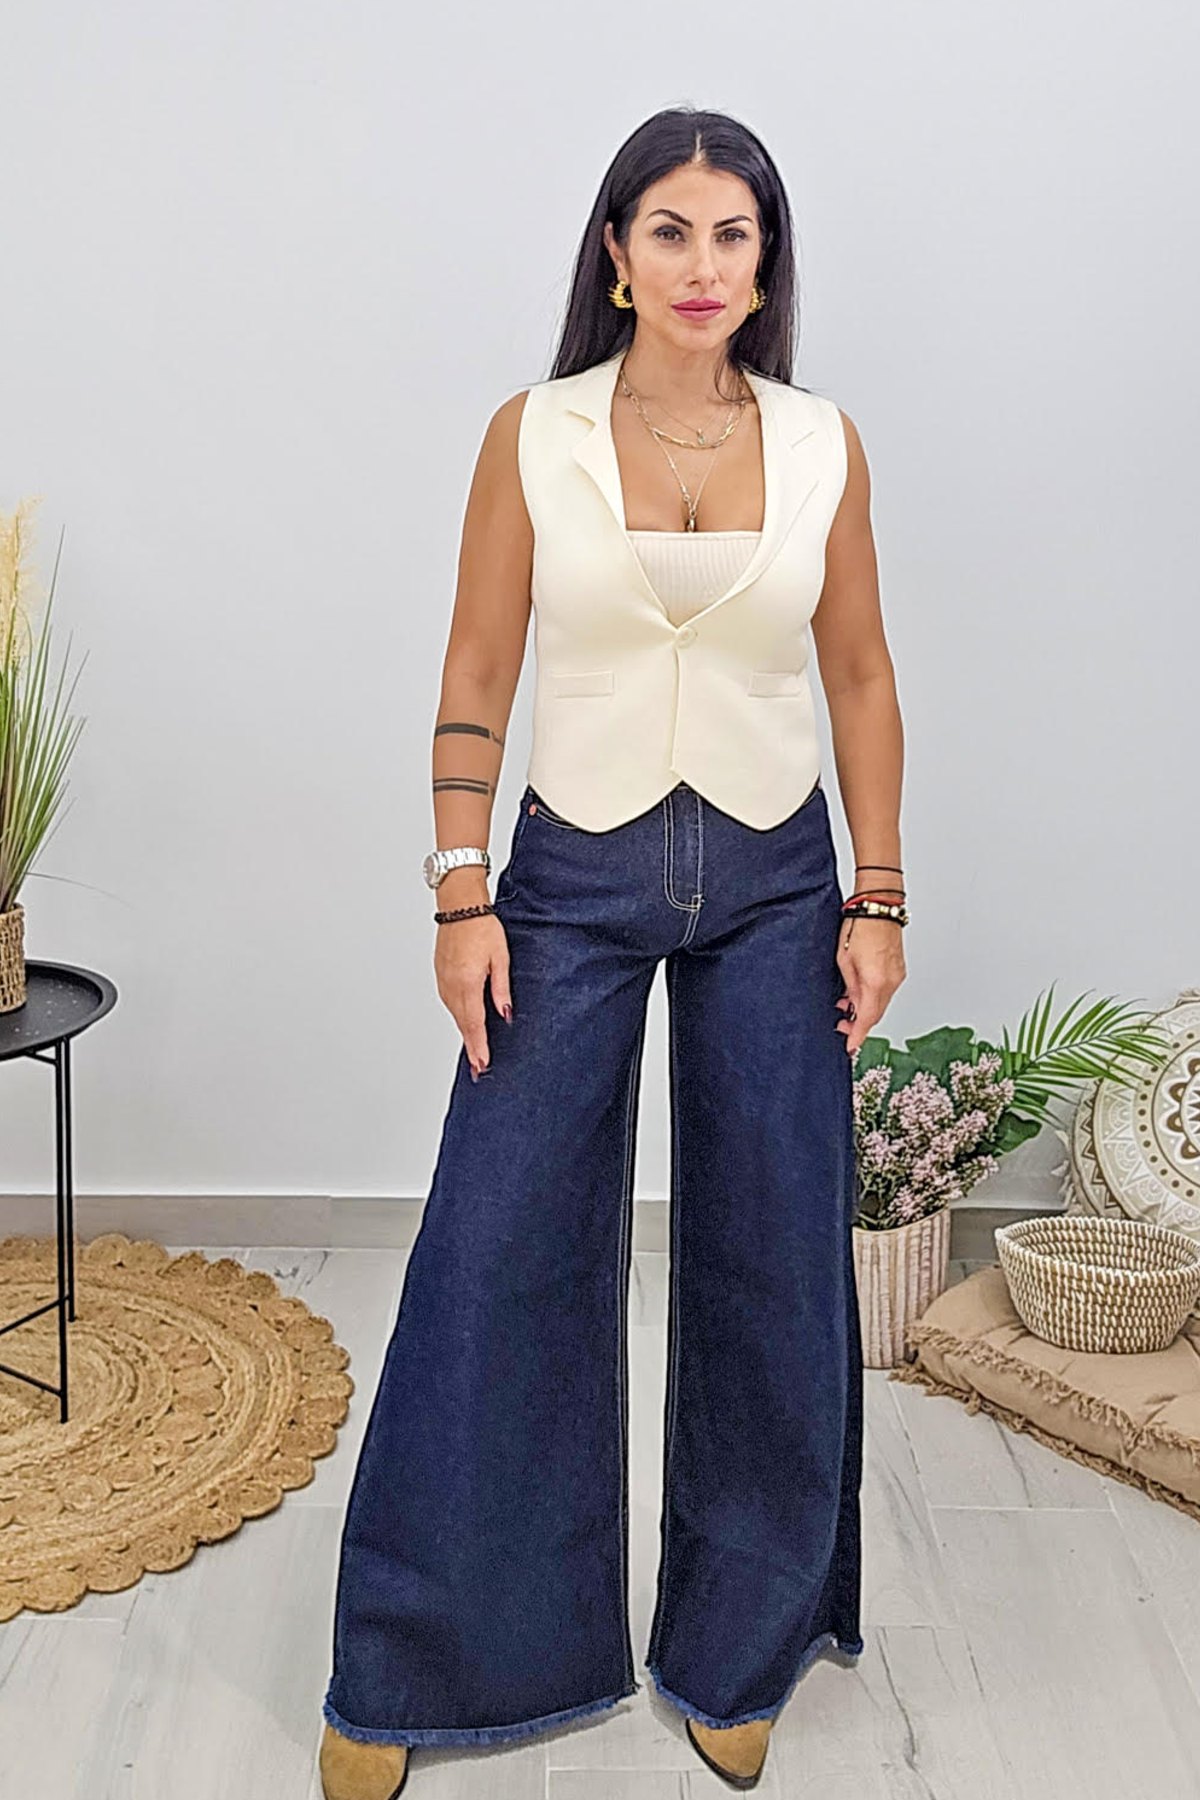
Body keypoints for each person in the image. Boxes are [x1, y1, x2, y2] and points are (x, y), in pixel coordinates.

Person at [318, 104, 907, 1800]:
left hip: (778, 879)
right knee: (495, 1247)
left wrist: (878, 896)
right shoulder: (538, 433)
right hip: (568, 871)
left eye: (734, 235)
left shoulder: (824, 445)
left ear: (765, 264)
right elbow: (475, 670)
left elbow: (858, 674)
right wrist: (460, 894)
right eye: (672, 230)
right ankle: (421, 1665)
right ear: (617, 252)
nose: (703, 265)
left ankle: (741, 1646)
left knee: (776, 1254)